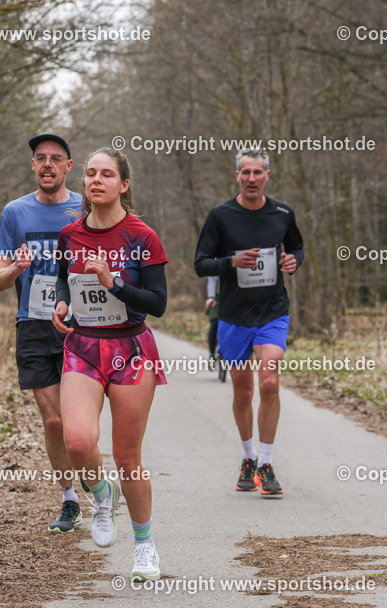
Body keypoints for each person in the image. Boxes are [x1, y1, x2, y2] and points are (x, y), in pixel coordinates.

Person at [51, 147, 168, 580]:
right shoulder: (70, 235)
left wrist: (114, 283)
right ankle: (101, 496)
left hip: (131, 349)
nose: (95, 180)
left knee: (126, 453)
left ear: (124, 184)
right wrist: (62, 302)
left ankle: (144, 546)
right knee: (78, 441)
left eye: (106, 174)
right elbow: (64, 276)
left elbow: (157, 303)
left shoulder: (142, 236)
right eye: (90, 174)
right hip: (83, 346)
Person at [193, 148, 304, 496]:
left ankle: (267, 463)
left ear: (267, 175)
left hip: (272, 311)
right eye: (246, 173)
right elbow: (201, 264)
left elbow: (298, 247)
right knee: (243, 391)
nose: (252, 178)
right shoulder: (220, 216)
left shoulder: (282, 213)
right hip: (234, 316)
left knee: (268, 382)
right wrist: (231, 261)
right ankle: (248, 456)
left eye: (258, 172)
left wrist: (292, 261)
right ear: (238, 175)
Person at [0, 133, 83, 532]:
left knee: (79, 425)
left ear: (68, 166)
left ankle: (98, 488)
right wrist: (16, 268)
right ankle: (69, 500)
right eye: (40, 158)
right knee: (53, 424)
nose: (47, 164)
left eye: (56, 158)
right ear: (33, 165)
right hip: (33, 324)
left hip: (80, 325)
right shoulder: (14, 212)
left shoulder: (84, 207)